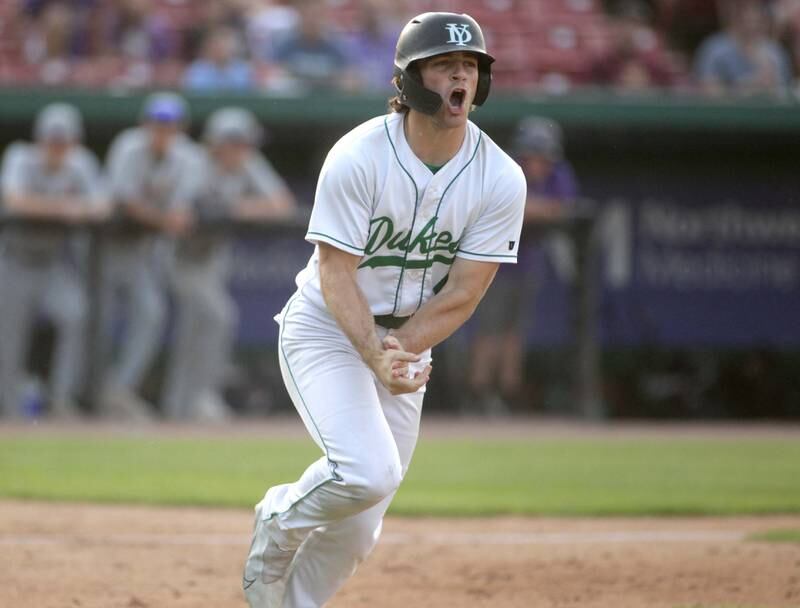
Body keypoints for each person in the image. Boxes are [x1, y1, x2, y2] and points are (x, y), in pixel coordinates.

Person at [242, 11, 526, 608]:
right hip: (327, 329)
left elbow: (463, 292)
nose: (461, 77)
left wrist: (400, 351)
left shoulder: (501, 176)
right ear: (411, 78)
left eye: (470, 66)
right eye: (446, 65)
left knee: (362, 524)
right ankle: (278, 518)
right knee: (367, 472)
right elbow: (336, 271)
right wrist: (374, 353)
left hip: (404, 342)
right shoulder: (359, 154)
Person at [161, 107, 296, 422]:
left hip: (210, 257)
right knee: (216, 318)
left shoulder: (248, 164)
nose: (242, 151)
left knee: (200, 326)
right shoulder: (194, 164)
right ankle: (196, 400)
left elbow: (281, 205)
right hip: (176, 255)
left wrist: (231, 208)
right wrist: (209, 211)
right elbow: (176, 218)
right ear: (217, 143)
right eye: (236, 144)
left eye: (246, 144)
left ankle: (184, 406)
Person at [466, 116, 579, 416]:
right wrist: (534, 209)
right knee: (489, 330)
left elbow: (564, 207)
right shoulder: (507, 168)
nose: (540, 163)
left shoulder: (557, 172)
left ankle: (506, 395)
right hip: (492, 265)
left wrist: (531, 209)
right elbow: (509, 206)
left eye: (544, 157)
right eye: (534, 155)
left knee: (515, 333)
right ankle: (478, 395)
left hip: (527, 264)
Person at [0, 103, 107, 418]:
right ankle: (8, 410)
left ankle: (60, 401)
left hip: (53, 264)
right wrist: (66, 207)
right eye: (52, 140)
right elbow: (15, 201)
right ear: (40, 139)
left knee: (75, 317)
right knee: (9, 337)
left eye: (64, 141)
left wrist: (59, 207)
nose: (58, 148)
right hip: (15, 261)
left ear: (74, 142)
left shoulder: (81, 164)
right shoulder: (20, 156)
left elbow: (101, 206)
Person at [97, 92, 198, 421]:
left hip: (144, 250)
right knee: (95, 319)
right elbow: (124, 201)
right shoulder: (128, 145)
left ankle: (117, 391)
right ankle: (85, 396)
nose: (162, 131)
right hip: (105, 246)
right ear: (145, 124)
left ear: (180, 128)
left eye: (169, 126)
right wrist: (162, 218)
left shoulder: (188, 157)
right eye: (157, 124)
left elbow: (181, 213)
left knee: (149, 314)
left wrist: (164, 218)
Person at [694, 0, 793, 97]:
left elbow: (785, 94)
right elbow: (710, 92)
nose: (751, 20)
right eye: (745, 13)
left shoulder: (774, 52)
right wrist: (749, 86)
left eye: (756, 14)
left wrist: (771, 85)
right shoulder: (714, 49)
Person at [182, 25, 255, 91]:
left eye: (225, 45)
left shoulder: (243, 69)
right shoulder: (197, 69)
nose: (221, 49)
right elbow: (194, 91)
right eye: (217, 45)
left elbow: (248, 91)